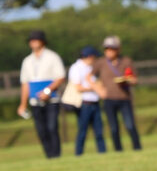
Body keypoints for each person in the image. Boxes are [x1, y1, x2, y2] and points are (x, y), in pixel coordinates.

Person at [18, 30, 66, 159]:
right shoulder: (27, 61)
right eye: (31, 40)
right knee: (41, 130)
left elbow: (60, 77)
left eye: (36, 40)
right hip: (35, 101)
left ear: (42, 41)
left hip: (51, 100)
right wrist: (22, 104)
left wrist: (47, 91)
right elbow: (25, 84)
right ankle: (49, 155)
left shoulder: (52, 57)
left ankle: (56, 155)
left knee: (52, 127)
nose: (33, 42)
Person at [93, 36, 141, 151]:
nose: (109, 51)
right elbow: (89, 77)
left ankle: (137, 148)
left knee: (130, 125)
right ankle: (118, 150)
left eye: (112, 49)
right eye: (107, 49)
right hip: (109, 99)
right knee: (113, 128)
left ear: (118, 49)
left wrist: (128, 80)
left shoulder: (126, 61)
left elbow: (134, 79)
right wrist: (99, 90)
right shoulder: (101, 62)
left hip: (124, 98)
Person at [70, 46, 107, 155]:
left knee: (99, 131)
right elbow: (78, 87)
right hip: (83, 104)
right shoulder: (76, 68)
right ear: (90, 57)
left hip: (95, 102)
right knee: (82, 131)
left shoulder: (91, 68)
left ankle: (103, 153)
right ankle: (79, 154)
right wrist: (94, 87)